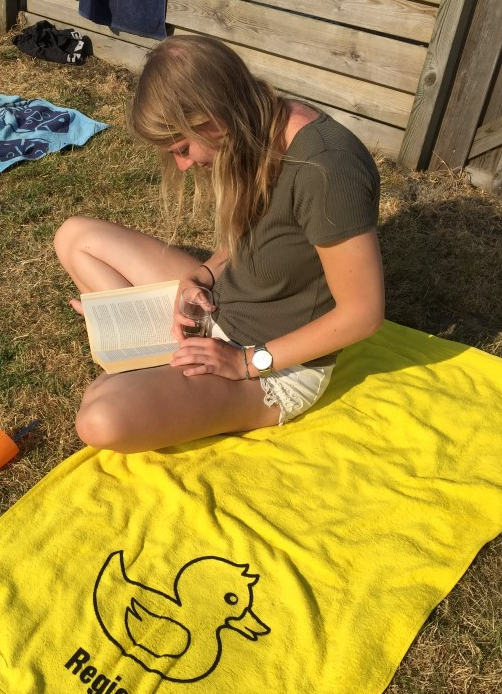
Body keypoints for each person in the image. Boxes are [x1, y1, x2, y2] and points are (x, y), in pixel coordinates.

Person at [54, 35, 384, 454]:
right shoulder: (257, 125)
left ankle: (152, 361)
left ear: (212, 115)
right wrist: (202, 275)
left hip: (272, 364)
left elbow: (363, 314)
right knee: (75, 237)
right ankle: (151, 349)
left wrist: (245, 362)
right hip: (222, 305)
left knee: (100, 418)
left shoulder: (328, 170)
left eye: (182, 148)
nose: (182, 165)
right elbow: (258, 235)